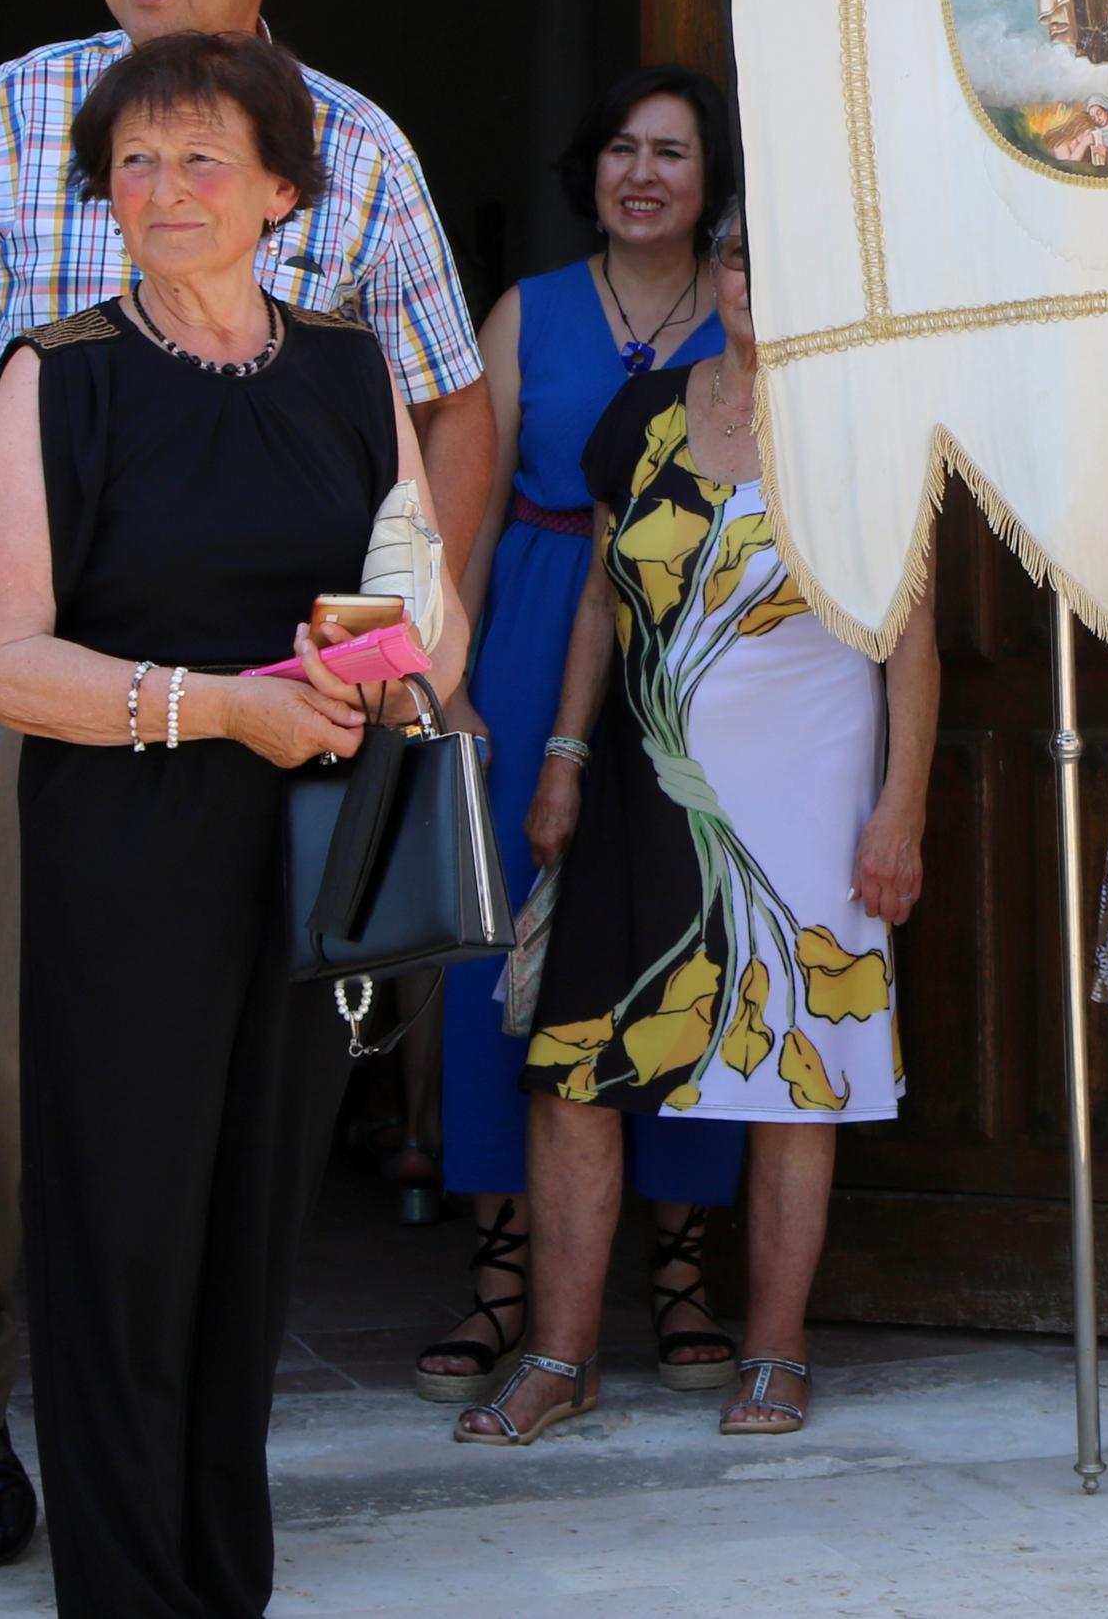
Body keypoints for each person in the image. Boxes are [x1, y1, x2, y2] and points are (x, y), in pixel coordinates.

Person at [0, 0, 489, 1564]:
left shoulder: (361, 147)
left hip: (294, 704)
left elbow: (441, 408)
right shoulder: (27, 106)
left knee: (251, 1080)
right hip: (17, 653)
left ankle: (189, 1463)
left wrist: (418, 652)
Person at [0, 29, 455, 1619]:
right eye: (136, 161)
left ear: (282, 189)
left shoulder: (348, 364)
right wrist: (219, 701)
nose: (163, 189)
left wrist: (362, 667)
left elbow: (412, 590)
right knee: (121, 1247)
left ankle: (220, 1584)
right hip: (125, 857)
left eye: (200, 159)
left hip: (301, 860)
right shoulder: (58, 372)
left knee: (245, 1249)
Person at [461, 191, 938, 1445]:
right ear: (716, 268)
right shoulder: (644, 415)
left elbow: (911, 639)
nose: (756, 279)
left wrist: (901, 806)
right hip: (645, 779)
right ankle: (559, 1356)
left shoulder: (864, 433)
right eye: (741, 255)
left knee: (796, 1075)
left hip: (809, 793)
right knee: (574, 1067)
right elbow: (594, 608)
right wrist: (562, 757)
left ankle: (774, 1353)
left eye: (788, 260)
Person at [417, 68, 746, 1406]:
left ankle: (678, 1266)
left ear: (710, 179)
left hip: (688, 652)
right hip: (535, 616)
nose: (643, 172)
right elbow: (471, 507)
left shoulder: (742, 310)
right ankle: (501, 1271)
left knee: (686, 939)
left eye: (671, 151)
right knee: (501, 952)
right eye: (621, 146)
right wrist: (447, 671)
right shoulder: (526, 312)